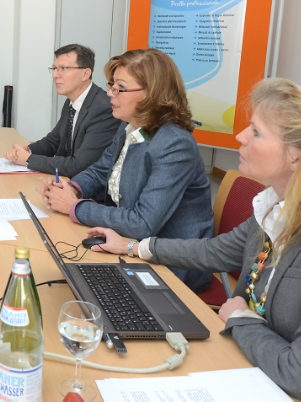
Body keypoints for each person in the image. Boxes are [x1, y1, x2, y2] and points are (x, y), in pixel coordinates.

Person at [87, 78, 301, 401]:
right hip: (253, 369)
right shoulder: (276, 207)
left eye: (256, 132)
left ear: (298, 157)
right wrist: (132, 247)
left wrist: (239, 318)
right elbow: (215, 251)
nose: (240, 136)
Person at [39, 48, 213, 292]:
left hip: (173, 265)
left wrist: (74, 206)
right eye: (111, 85)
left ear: (151, 94)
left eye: (120, 88)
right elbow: (101, 170)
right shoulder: (129, 127)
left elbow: (142, 223)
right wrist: (72, 187)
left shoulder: (175, 144)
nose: (110, 93)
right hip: (128, 244)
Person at [4, 44, 120, 178]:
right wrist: (27, 151)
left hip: (87, 187)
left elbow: (78, 165)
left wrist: (28, 159)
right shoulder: (72, 101)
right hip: (65, 181)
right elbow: (54, 141)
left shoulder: (103, 109)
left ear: (85, 73)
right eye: (54, 69)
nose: (55, 75)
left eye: (63, 68)